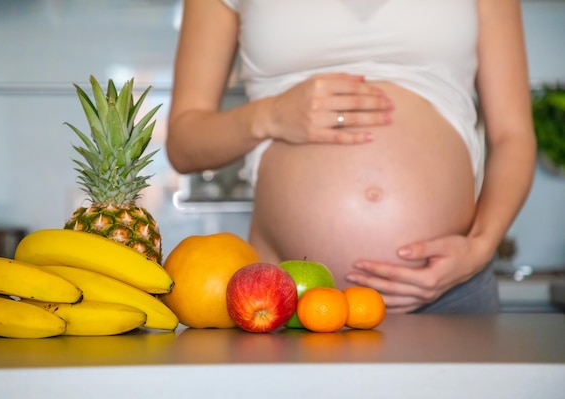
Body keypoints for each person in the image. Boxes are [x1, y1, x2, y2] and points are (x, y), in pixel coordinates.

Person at [166, 0, 536, 314]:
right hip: (286, 295)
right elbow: (183, 143)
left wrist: (481, 245)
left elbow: (513, 136)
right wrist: (271, 115)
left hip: (451, 290)